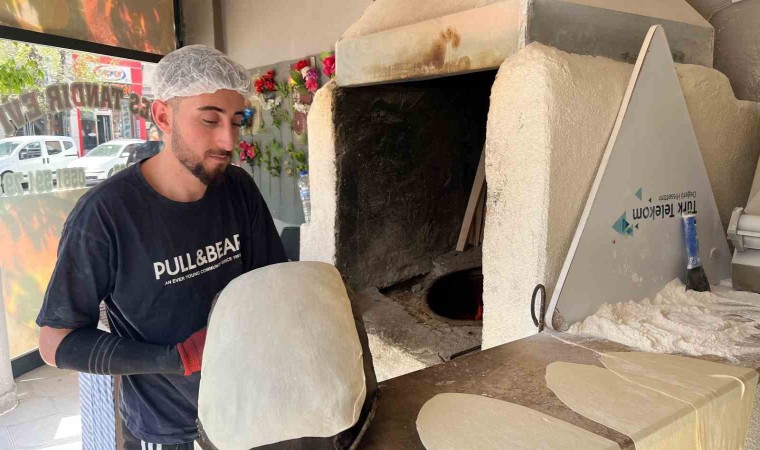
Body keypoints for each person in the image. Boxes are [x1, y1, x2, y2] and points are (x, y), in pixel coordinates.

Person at [36, 45, 288, 449]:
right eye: (209, 120)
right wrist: (177, 358)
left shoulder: (238, 188)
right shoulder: (105, 215)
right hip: (165, 428)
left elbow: (271, 283)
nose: (228, 139)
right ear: (163, 116)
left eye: (237, 120)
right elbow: (55, 342)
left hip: (245, 407)